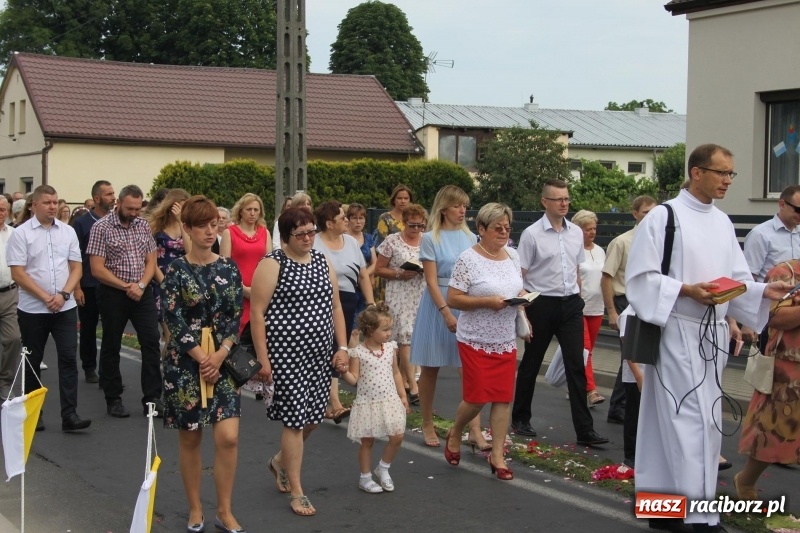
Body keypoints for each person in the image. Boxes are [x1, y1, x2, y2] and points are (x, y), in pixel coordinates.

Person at [626, 144, 791, 532]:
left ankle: (661, 510)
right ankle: (701, 517)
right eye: (721, 173)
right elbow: (640, 280)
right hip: (675, 329)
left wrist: (761, 292)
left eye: (731, 174)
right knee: (690, 422)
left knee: (686, 421)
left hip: (711, 334)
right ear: (696, 172)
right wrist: (686, 290)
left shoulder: (719, 221)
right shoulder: (664, 216)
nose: (728, 181)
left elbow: (735, 279)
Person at [249, 207, 349, 517]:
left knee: (315, 416)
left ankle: (280, 460)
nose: (308, 238)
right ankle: (297, 490)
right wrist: (263, 359)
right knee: (294, 420)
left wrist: (343, 347)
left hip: (319, 355)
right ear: (285, 237)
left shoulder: (321, 260)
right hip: (286, 356)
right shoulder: (272, 264)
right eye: (301, 234)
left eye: (311, 232)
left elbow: (335, 306)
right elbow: (257, 314)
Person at [161, 195, 246, 533]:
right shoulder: (175, 270)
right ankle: (195, 508)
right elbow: (173, 317)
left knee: (228, 437)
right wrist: (200, 357)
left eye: (214, 224)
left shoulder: (228, 267)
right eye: (203, 226)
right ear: (187, 229)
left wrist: (220, 355)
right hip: (185, 364)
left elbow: (234, 315)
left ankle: (224, 511)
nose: (211, 231)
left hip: (222, 361)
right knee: (191, 437)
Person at [511, 179, 607, 447]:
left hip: (570, 303)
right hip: (541, 303)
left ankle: (585, 430)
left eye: (566, 199)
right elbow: (521, 274)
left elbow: (576, 268)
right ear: (545, 202)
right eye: (558, 199)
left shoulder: (576, 232)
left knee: (576, 364)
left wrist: (576, 297)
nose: (564, 203)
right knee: (532, 362)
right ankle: (520, 418)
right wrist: (524, 309)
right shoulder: (531, 234)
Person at [444, 203, 525, 481]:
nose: (503, 232)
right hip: (475, 339)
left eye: (507, 228)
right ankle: (456, 431)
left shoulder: (512, 256)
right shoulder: (468, 259)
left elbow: (518, 289)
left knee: (503, 399)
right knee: (477, 398)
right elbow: (453, 299)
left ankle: (498, 455)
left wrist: (524, 304)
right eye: (497, 228)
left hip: (504, 339)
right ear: (481, 229)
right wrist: (486, 302)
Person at [410, 185, 489, 450]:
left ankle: (475, 430)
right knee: (430, 368)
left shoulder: (470, 237)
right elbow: (431, 281)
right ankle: (427, 422)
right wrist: (444, 311)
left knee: (468, 368)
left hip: (464, 303)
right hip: (437, 304)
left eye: (464, 205)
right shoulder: (431, 237)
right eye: (457, 205)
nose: (462, 210)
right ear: (444, 208)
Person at [7, 185, 91, 432]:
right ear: (34, 205)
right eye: (47, 203)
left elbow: (76, 267)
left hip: (64, 308)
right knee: (33, 361)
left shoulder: (67, 232)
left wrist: (64, 294)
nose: (53, 207)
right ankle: (35, 414)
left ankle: (70, 415)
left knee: (68, 358)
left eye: (55, 202)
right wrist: (45, 297)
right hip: (33, 309)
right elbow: (18, 274)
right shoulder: (21, 234)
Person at [87, 184, 163, 419]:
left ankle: (152, 399)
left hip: (142, 292)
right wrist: (125, 286)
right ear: (118, 203)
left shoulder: (142, 226)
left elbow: (151, 261)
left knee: (151, 342)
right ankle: (113, 398)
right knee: (111, 344)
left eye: (138, 208)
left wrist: (140, 285)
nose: (134, 213)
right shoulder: (101, 228)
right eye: (129, 208)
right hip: (113, 293)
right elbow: (97, 269)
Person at [736, 259, 800, 503]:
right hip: (787, 367)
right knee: (772, 431)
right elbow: (773, 318)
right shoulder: (785, 273)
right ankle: (746, 481)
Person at [313, 200, 375, 423]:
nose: (347, 220)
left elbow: (362, 275)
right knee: (328, 350)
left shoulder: (350, 242)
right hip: (320, 304)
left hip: (347, 302)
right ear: (329, 223)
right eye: (342, 217)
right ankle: (334, 403)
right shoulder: (314, 243)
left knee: (341, 349)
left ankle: (328, 401)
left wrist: (370, 303)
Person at [340, 304, 408, 493]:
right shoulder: (358, 353)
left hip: (390, 400)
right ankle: (365, 477)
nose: (389, 333)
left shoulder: (390, 348)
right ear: (370, 330)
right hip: (368, 403)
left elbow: (395, 373)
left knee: (397, 436)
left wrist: (402, 395)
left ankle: (383, 468)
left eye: (390, 329)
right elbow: (354, 379)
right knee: (367, 441)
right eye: (385, 329)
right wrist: (344, 373)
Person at [600, 195, 657, 423]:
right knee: (630, 355)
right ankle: (620, 406)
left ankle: (619, 405)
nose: (649, 218)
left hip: (646, 302)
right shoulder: (623, 242)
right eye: (645, 213)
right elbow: (606, 278)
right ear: (635, 214)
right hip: (625, 301)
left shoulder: (657, 241)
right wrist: (612, 311)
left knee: (631, 356)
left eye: (653, 213)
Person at [374, 203, 427, 404]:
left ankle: (405, 380)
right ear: (404, 222)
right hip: (399, 294)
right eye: (412, 225)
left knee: (416, 339)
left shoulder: (427, 241)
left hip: (420, 293)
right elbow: (379, 269)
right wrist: (399, 273)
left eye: (420, 226)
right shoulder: (392, 241)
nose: (416, 230)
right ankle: (413, 387)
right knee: (405, 338)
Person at [742, 184, 800, 350]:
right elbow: (748, 278)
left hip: (794, 315)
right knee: (768, 369)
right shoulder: (761, 235)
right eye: (798, 210)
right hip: (770, 315)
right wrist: (747, 320)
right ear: (782, 204)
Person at [73, 180, 116, 383]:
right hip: (89, 284)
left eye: (113, 193)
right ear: (97, 198)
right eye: (108, 194)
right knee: (89, 328)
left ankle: (109, 372)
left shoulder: (117, 221)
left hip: (111, 284)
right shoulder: (82, 223)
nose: (113, 197)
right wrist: (77, 287)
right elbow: (73, 258)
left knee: (111, 329)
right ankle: (89, 367)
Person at [220, 193, 270, 335]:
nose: (253, 213)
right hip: (237, 293)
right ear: (241, 210)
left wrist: (260, 291)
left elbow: (269, 265)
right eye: (249, 209)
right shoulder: (229, 233)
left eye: (256, 209)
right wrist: (243, 290)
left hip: (261, 294)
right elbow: (225, 269)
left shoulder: (265, 233)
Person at [148, 188, 191, 348]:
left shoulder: (187, 227)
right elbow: (150, 260)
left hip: (182, 282)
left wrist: (182, 222)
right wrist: (164, 282)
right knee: (170, 333)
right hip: (160, 281)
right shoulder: (156, 227)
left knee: (183, 332)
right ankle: (167, 369)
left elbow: (190, 251)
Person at [572, 209, 606, 406]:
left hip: (598, 307)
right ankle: (591, 390)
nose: (592, 232)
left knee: (588, 351)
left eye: (594, 228)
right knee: (584, 349)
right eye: (587, 229)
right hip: (580, 307)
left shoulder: (600, 250)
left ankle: (575, 385)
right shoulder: (575, 251)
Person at [346, 202, 377, 345]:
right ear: (348, 219)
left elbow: (375, 262)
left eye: (361, 218)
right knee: (352, 328)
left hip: (364, 287)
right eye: (354, 218)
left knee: (364, 326)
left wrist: (364, 275)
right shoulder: (344, 238)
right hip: (348, 286)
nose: (358, 222)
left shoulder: (368, 238)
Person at [0, 196, 22, 399]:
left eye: (3, 210)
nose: (0, 214)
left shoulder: (14, 234)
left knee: (13, 338)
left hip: (8, 293)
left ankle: (5, 381)